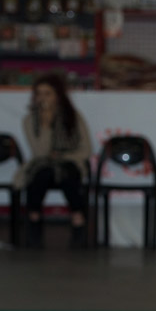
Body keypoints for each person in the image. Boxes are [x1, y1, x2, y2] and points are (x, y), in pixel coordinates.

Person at [14, 73, 92, 248]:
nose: (43, 98)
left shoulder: (73, 117)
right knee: (41, 174)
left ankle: (78, 221)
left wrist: (64, 156)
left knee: (67, 174)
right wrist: (46, 124)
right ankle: (34, 220)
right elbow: (40, 152)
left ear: (58, 95)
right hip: (43, 163)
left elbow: (86, 149)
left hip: (70, 161)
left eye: (47, 93)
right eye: (39, 93)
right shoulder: (30, 120)